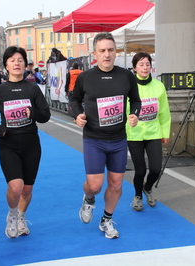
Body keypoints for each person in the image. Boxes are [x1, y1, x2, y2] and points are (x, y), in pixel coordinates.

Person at [69, 32, 141, 239]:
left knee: (117, 183)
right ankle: (89, 198)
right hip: (94, 139)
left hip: (118, 139)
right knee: (95, 185)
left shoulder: (126, 76)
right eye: (102, 51)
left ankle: (107, 219)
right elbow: (74, 101)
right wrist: (77, 115)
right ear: (95, 54)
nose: (107, 54)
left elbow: (135, 101)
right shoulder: (85, 77)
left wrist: (134, 114)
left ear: (116, 52)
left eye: (110, 50)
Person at [0, 46, 50, 239]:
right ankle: (12, 216)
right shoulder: (0, 90)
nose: (17, 63)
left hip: (31, 144)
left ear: (25, 64)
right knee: (16, 186)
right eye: (12, 60)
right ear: (6, 65)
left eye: (20, 60)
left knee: (27, 188)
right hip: (8, 144)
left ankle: (21, 217)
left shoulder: (32, 88)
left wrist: (33, 112)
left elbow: (45, 115)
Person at [126, 52, 171, 212]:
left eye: (147, 64)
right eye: (141, 64)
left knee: (155, 169)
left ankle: (148, 187)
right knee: (140, 170)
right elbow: (124, 111)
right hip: (134, 134)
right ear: (134, 68)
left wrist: (165, 132)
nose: (145, 67)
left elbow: (164, 112)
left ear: (151, 67)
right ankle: (137, 195)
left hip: (154, 133)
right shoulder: (129, 86)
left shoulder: (159, 86)